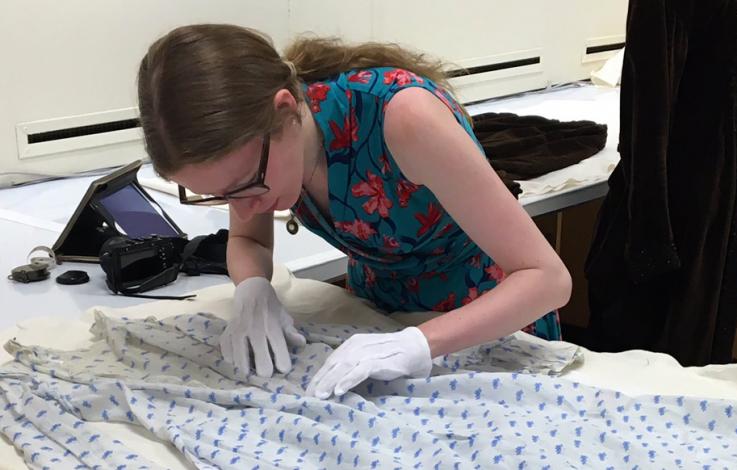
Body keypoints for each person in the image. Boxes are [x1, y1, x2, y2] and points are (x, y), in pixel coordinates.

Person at [137, 24, 572, 399]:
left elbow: (547, 279)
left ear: (286, 109)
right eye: (220, 196)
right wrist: (252, 289)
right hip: (377, 317)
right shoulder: (262, 154)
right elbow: (247, 239)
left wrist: (419, 343)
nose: (245, 207)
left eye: (245, 185)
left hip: (485, 316)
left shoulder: (404, 118)